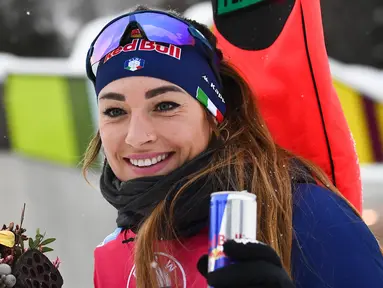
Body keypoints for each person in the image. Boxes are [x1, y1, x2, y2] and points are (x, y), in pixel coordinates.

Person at [83, 5, 383, 288]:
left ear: (213, 116)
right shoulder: (113, 253)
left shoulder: (305, 215)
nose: (137, 137)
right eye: (115, 111)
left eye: (165, 105)